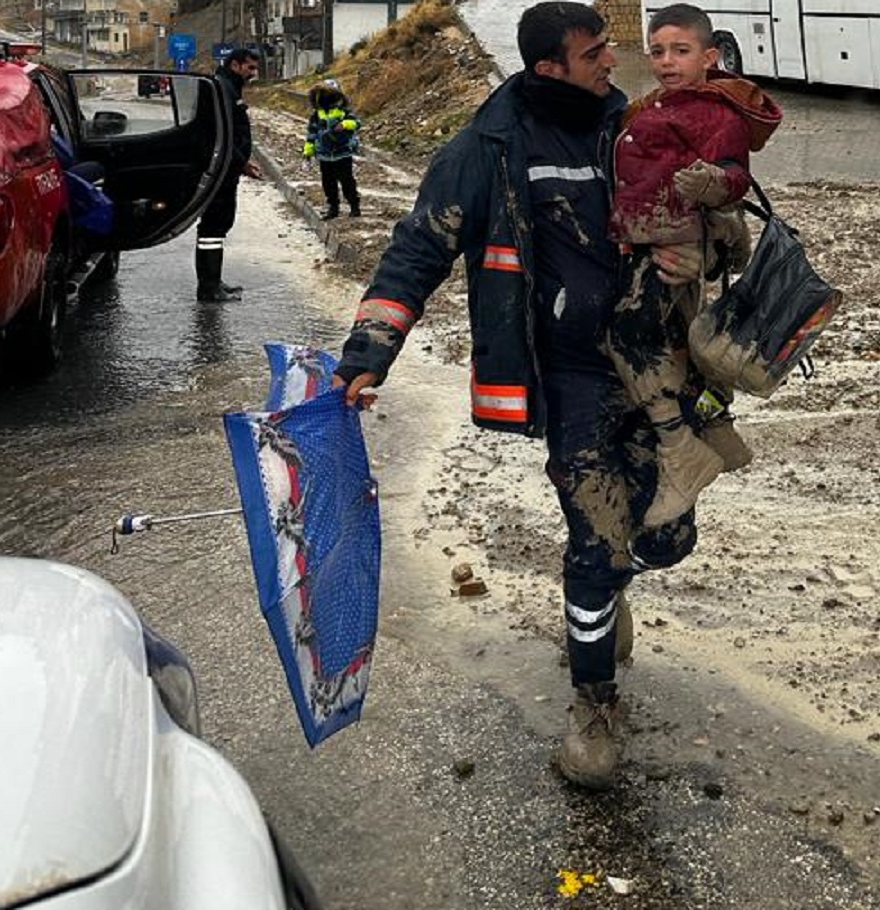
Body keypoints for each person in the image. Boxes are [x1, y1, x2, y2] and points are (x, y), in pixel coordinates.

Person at [333, 2, 727, 790]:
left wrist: (710, 247)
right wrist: (368, 353)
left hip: (658, 368)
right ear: (549, 67)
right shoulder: (488, 148)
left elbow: (711, 216)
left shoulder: (634, 124)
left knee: (666, 535)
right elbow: (418, 248)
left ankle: (613, 592)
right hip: (571, 379)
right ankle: (594, 707)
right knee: (594, 538)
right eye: (593, 55)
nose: (612, 63)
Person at [607, 3, 781, 528]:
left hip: (670, 247)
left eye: (680, 51)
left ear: (710, 56)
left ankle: (681, 449)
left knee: (631, 337)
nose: (666, 61)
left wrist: (715, 187)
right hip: (649, 242)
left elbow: (735, 174)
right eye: (657, 52)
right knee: (674, 340)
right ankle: (718, 428)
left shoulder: (714, 111)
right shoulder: (658, 105)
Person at [196, 47, 263, 303]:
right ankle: (209, 288)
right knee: (213, 226)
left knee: (218, 225)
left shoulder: (228, 86)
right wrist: (238, 161)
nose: (253, 73)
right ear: (236, 65)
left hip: (228, 167)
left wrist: (243, 164)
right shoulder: (223, 88)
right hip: (222, 169)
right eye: (250, 68)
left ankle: (214, 282)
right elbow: (222, 134)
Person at [304, 79, 362, 220]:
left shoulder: (343, 111)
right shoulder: (317, 114)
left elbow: (356, 123)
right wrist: (308, 152)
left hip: (342, 152)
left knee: (347, 181)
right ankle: (333, 207)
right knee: (328, 183)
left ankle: (354, 206)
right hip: (324, 155)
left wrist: (345, 124)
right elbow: (312, 134)